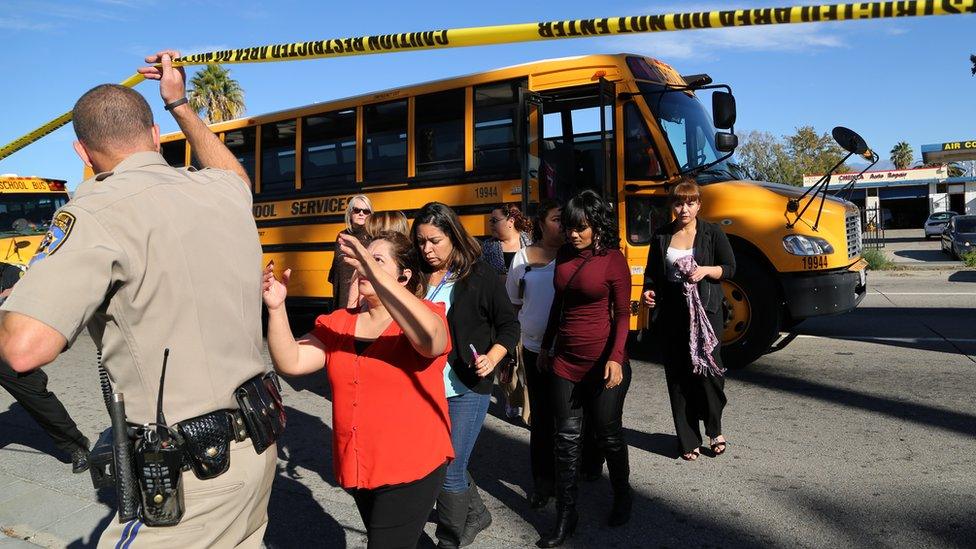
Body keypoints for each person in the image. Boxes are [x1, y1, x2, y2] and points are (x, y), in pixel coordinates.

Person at [0, 51, 276, 547]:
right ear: (153, 136)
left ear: (82, 153)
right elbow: (236, 175)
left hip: (190, 477)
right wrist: (180, 104)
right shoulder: (220, 191)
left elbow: (24, 348)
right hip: (256, 448)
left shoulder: (94, 213)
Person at [262, 231, 453, 548]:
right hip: (360, 465)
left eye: (377, 260)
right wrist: (277, 307)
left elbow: (432, 341)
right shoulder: (338, 323)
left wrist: (375, 272)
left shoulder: (427, 315)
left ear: (403, 276)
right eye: (363, 260)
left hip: (411, 465)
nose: (364, 267)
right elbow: (291, 362)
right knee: (402, 538)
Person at [412, 202, 520, 549]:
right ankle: (474, 512)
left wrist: (493, 356)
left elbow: (509, 326)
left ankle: (449, 539)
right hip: (425, 387)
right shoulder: (413, 275)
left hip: (466, 386)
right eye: (421, 241)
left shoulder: (479, 275)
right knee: (441, 460)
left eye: (435, 241)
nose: (426, 249)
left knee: (450, 471)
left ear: (454, 237)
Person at [536, 190, 633, 547]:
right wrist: (547, 346)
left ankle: (623, 495)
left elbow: (623, 315)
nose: (573, 234)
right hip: (566, 361)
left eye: (581, 228)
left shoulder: (612, 260)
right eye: (569, 227)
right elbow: (557, 304)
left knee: (607, 434)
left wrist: (616, 357)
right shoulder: (563, 255)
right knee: (566, 440)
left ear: (596, 226)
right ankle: (566, 514)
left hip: (604, 362)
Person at [642, 180, 735, 461]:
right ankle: (687, 438)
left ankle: (714, 429)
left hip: (706, 313)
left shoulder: (711, 232)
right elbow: (652, 274)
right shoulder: (661, 236)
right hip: (672, 314)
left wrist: (705, 270)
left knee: (710, 373)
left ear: (699, 205)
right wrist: (649, 291)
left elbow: (730, 268)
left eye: (690, 203)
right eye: (679, 203)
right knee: (679, 377)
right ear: (672, 205)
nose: (684, 209)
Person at [504, 199, 562, 508]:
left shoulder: (573, 254)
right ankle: (543, 483)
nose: (563, 225)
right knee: (541, 419)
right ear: (541, 222)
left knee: (566, 417)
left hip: (568, 351)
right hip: (534, 348)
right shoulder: (522, 259)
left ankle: (570, 476)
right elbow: (513, 303)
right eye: (557, 218)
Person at [330, 194, 372, 309]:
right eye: (357, 210)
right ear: (350, 213)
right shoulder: (341, 236)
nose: (361, 213)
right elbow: (335, 274)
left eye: (366, 211)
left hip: (363, 303)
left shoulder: (373, 238)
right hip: (341, 301)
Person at [481, 203, 532, 276]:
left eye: (494, 220)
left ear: (511, 221)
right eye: (491, 221)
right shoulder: (487, 247)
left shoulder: (531, 243)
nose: (491, 224)